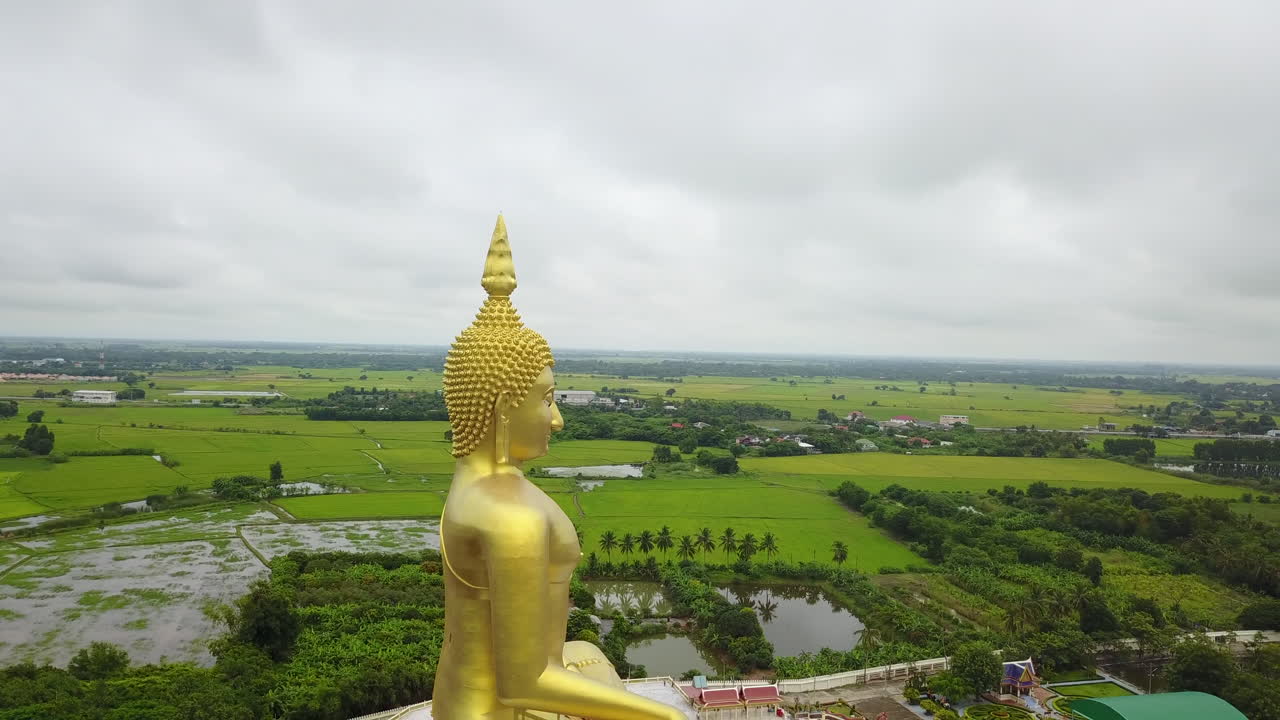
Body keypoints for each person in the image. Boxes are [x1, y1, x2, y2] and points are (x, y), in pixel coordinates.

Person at [431, 217, 686, 720]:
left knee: (589, 655)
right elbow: (525, 682)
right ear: (504, 407)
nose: (557, 419)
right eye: (547, 400)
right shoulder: (508, 515)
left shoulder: (480, 484)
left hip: (459, 698)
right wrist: (670, 716)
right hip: (501, 710)